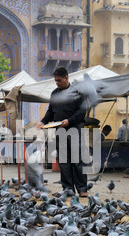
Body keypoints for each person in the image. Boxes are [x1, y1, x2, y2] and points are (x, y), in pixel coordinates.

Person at [37, 66, 88, 197]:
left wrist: (69, 121)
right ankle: (67, 189)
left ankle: (82, 189)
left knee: (77, 160)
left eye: (59, 80)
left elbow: (82, 111)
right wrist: (43, 121)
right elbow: (50, 111)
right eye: (55, 81)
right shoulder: (55, 94)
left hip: (75, 129)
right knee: (64, 161)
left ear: (66, 77)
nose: (57, 83)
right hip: (60, 130)